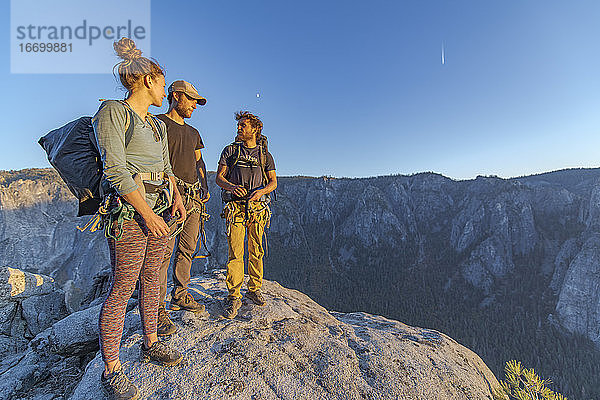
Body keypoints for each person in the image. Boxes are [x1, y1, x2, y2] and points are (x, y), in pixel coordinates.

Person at [93, 37, 187, 400]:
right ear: (148, 80)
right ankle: (112, 370)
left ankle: (151, 342)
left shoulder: (156, 125)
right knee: (121, 288)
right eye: (163, 83)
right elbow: (115, 170)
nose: (164, 90)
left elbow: (165, 169)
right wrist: (147, 214)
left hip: (161, 211)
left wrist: (177, 200)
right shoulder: (113, 113)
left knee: (153, 280)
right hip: (131, 215)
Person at [156, 80, 209, 336]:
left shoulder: (193, 133)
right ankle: (156, 309)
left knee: (187, 248)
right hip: (168, 197)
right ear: (176, 96)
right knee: (163, 251)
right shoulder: (158, 124)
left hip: (193, 197)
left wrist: (205, 187)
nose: (194, 106)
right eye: (191, 100)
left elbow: (199, 163)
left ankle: (180, 294)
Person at [215, 111, 277, 319]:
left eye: (244, 125)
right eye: (239, 125)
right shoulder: (230, 151)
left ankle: (254, 288)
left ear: (255, 129)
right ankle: (233, 294)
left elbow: (273, 182)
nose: (239, 128)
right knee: (235, 251)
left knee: (256, 249)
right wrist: (232, 187)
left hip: (257, 209)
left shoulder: (264, 155)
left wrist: (261, 192)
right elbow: (219, 178)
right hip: (236, 208)